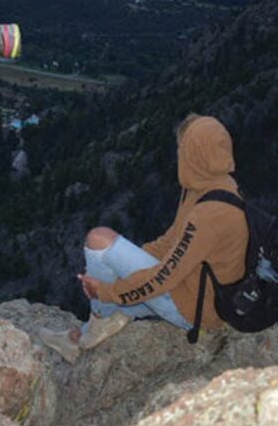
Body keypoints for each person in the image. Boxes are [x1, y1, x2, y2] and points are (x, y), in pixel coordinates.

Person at [39, 114, 249, 363]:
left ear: (193, 155)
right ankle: (89, 330)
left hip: (194, 308)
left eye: (182, 149)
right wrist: (123, 264)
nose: (179, 155)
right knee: (114, 262)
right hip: (198, 289)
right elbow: (172, 240)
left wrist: (107, 291)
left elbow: (163, 277)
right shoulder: (215, 186)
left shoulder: (210, 213)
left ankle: (98, 323)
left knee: (97, 239)